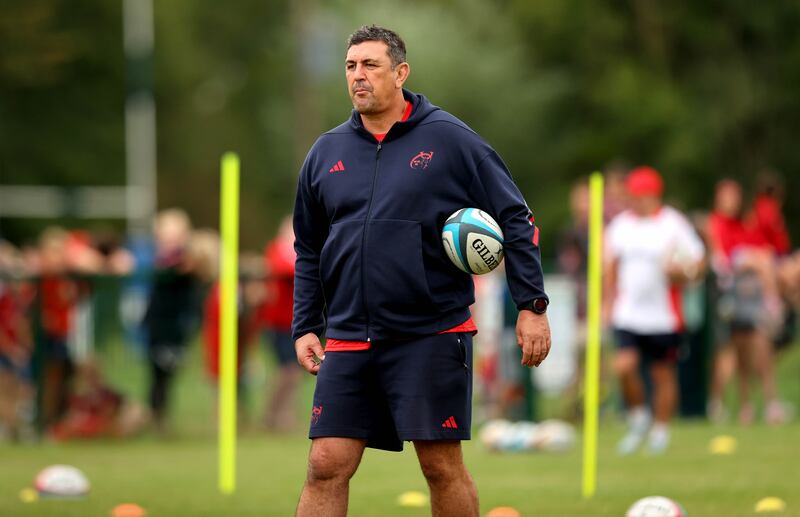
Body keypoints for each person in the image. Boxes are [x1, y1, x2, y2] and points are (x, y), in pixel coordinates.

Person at [291, 25, 551, 517]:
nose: (358, 76)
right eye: (351, 66)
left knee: (439, 466)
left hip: (429, 331)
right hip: (349, 333)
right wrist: (306, 322)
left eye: (371, 65)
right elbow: (308, 247)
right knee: (325, 462)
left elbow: (517, 217)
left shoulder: (452, 140)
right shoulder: (325, 152)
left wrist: (531, 305)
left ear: (401, 72)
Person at [604, 166, 705, 454]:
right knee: (623, 367)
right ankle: (638, 418)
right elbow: (610, 267)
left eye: (642, 196)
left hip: (664, 315)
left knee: (664, 376)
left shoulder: (674, 224)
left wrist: (681, 271)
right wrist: (608, 303)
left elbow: (697, 264)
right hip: (629, 313)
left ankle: (660, 431)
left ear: (653, 195)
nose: (637, 201)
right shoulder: (621, 226)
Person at [260, 216, 303, 431]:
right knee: (288, 371)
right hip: (278, 324)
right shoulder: (276, 250)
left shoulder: (300, 251)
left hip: (295, 323)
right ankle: (272, 414)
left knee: (294, 373)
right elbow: (289, 271)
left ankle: (284, 416)